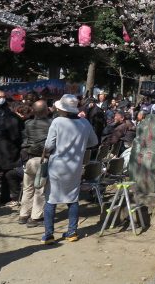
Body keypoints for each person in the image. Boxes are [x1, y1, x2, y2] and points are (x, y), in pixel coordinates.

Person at [42, 94, 98, 244]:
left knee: (51, 199)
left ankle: (48, 234)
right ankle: (72, 232)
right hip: (75, 166)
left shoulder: (57, 122)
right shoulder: (85, 123)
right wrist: (79, 146)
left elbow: (48, 145)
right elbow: (94, 141)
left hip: (57, 165)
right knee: (72, 199)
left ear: (63, 109)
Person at [19, 101, 51, 227]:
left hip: (29, 158)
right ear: (46, 110)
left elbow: (24, 139)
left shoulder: (27, 123)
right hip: (43, 159)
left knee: (27, 188)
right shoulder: (52, 124)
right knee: (40, 189)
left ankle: (23, 214)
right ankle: (36, 217)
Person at [0, 101, 24, 207]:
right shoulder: (13, 119)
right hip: (4, 153)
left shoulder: (8, 117)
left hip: (5, 152)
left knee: (4, 177)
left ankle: (4, 198)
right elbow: (15, 136)